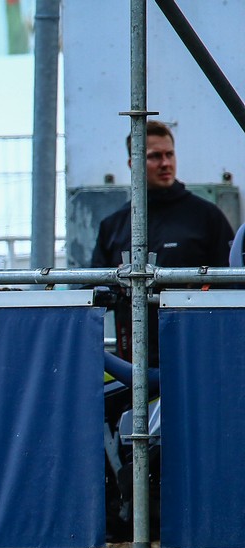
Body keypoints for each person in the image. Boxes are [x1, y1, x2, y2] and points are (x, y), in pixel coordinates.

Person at [91, 120, 234, 366]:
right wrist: (117, 285)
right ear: (133, 164)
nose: (166, 163)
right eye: (154, 156)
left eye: (169, 154)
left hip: (196, 357)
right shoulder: (113, 225)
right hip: (134, 364)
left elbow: (232, 285)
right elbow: (91, 293)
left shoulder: (206, 216)